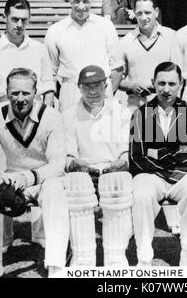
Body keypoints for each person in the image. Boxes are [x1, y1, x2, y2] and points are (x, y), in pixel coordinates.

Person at [0, 68, 69, 278]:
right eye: (14, 93)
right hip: (11, 178)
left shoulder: (51, 116)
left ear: (36, 92)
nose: (20, 99)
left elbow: (58, 164)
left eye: (26, 93)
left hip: (42, 178)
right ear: (7, 92)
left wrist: (30, 177)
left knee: (55, 188)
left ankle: (56, 265)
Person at [129, 62, 187, 266]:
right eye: (161, 83)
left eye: (172, 83)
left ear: (181, 84)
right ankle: (144, 257)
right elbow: (137, 156)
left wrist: (157, 154)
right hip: (151, 175)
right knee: (141, 195)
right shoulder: (141, 114)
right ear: (153, 83)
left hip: (182, 173)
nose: (166, 89)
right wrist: (167, 159)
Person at [62, 65, 133, 266]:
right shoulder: (69, 115)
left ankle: (115, 257)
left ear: (106, 86)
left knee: (116, 182)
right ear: (78, 87)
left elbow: (125, 152)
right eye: (87, 87)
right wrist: (77, 165)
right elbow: (68, 156)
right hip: (84, 171)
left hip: (113, 169)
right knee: (77, 184)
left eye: (97, 86)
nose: (93, 92)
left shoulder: (121, 111)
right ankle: (83, 258)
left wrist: (120, 163)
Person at [44, 0, 124, 111]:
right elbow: (50, 73)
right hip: (70, 94)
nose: (81, 7)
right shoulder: (55, 30)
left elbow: (117, 69)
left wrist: (104, 93)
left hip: (101, 95)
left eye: (85, 1)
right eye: (76, 1)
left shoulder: (105, 26)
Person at [0, 0, 55, 107]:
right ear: (4, 17)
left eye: (24, 20)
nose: (19, 25)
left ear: (29, 19)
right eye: (15, 19)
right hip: (4, 111)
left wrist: (45, 115)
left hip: (36, 111)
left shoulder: (40, 49)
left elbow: (49, 87)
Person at [119, 0, 175, 108]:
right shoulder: (125, 42)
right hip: (136, 107)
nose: (143, 18)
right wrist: (131, 86)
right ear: (134, 13)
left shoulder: (172, 37)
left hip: (167, 107)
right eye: (139, 13)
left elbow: (181, 73)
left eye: (148, 12)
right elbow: (118, 79)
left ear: (156, 12)